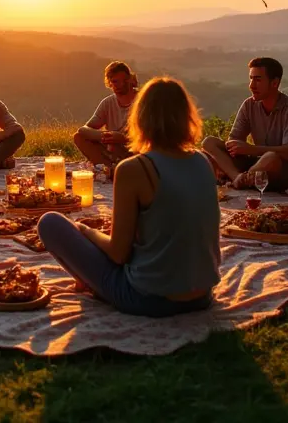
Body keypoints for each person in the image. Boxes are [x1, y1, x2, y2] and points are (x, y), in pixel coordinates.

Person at [37, 77, 220, 317]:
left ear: (140, 117)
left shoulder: (135, 168)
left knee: (50, 223)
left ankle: (94, 284)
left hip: (148, 299)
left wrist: (86, 232)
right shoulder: (203, 161)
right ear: (187, 116)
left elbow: (118, 253)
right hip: (201, 296)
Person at [201, 57, 288, 191]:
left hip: (285, 169)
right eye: (251, 78)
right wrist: (236, 147)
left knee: (270, 157)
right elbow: (234, 140)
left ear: (274, 83)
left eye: (258, 80)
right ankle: (238, 178)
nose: (252, 85)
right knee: (209, 143)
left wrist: (251, 149)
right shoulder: (249, 105)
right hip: (257, 163)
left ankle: (243, 179)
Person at [74, 61, 138, 166]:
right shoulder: (108, 103)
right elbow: (84, 129)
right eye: (114, 81)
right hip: (113, 150)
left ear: (130, 80)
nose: (117, 85)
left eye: (123, 81)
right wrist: (106, 136)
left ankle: (115, 167)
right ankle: (109, 168)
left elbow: (151, 137)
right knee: (79, 137)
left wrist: (123, 139)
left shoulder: (142, 102)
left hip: (135, 150)